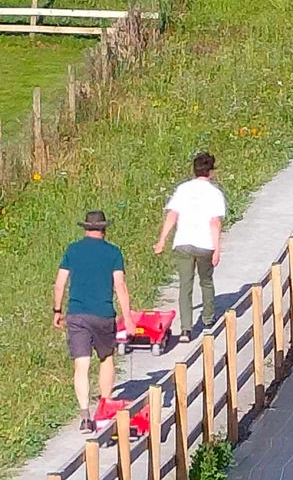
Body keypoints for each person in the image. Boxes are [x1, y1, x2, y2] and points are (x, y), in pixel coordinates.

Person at [53, 210, 136, 434]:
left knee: (81, 365)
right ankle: (105, 406)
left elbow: (60, 283)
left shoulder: (73, 250)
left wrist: (57, 310)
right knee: (106, 357)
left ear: (85, 228)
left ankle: (85, 417)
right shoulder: (113, 252)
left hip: (77, 314)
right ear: (104, 229)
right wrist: (127, 318)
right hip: (103, 314)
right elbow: (120, 286)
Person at [154, 152, 226, 343]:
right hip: (205, 244)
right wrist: (217, 249)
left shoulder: (183, 189)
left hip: (183, 242)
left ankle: (186, 330)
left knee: (185, 286)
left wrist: (162, 240)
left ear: (194, 170)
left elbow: (172, 215)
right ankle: (208, 319)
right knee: (206, 281)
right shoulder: (215, 193)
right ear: (210, 172)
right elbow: (215, 222)